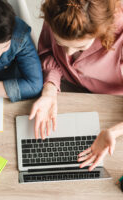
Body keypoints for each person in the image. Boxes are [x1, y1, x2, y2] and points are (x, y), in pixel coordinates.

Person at [29, 0, 123, 170]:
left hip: (111, 103)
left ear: (103, 31)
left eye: (80, 46)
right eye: (61, 43)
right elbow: (47, 52)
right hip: (66, 86)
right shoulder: (59, 13)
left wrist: (115, 131)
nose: (68, 54)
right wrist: (49, 90)